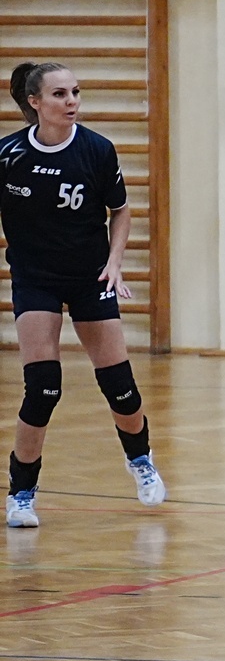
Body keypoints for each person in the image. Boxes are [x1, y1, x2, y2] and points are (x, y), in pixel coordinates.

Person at [2, 62, 165, 528]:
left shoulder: (97, 150)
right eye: (59, 94)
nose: (71, 101)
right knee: (43, 389)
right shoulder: (9, 155)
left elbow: (121, 211)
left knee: (120, 387)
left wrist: (114, 262)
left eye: (75, 92)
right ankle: (21, 494)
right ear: (34, 102)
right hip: (35, 278)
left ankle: (140, 460)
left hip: (90, 277)